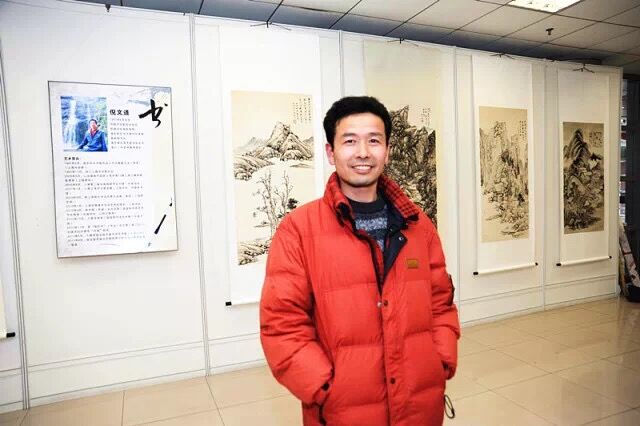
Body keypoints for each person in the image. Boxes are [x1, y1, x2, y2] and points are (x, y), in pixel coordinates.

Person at [260, 96, 460, 426]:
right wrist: (324, 387)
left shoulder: (418, 225)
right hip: (343, 411)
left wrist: (440, 360)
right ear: (331, 152)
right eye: (350, 141)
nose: (363, 152)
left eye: (374, 141)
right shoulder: (298, 230)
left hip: (419, 403)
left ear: (388, 150)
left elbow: (441, 303)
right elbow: (282, 324)